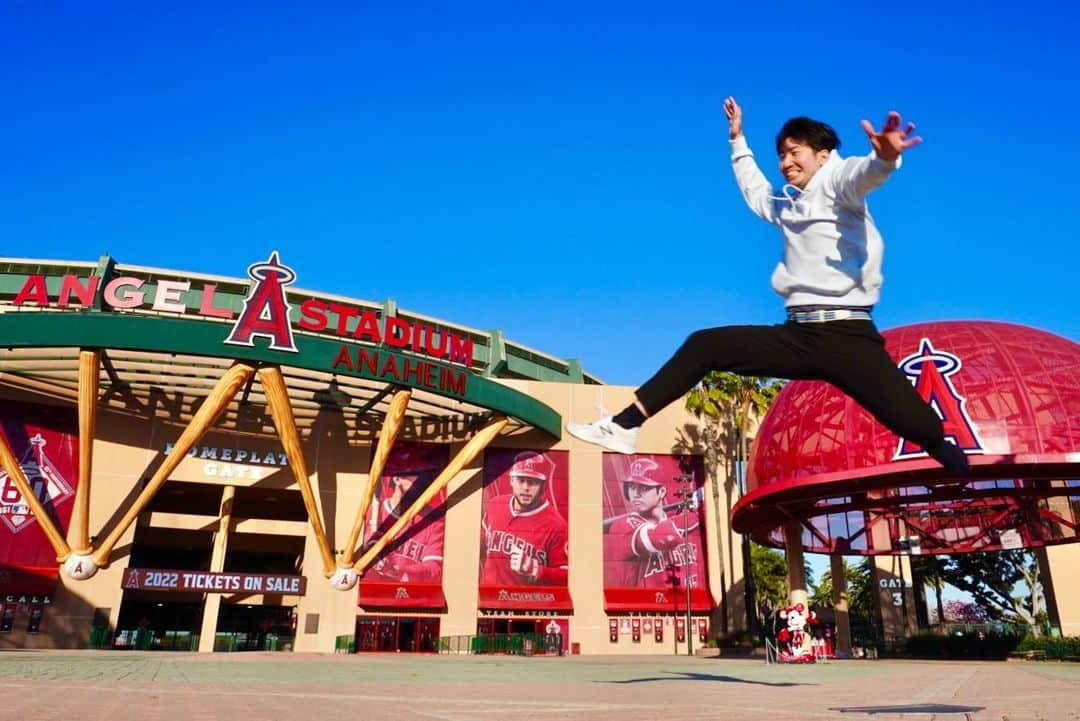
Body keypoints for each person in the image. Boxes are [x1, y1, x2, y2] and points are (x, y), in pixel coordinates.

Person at [567, 97, 970, 476]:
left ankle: (951, 457)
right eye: (782, 154)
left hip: (848, 337)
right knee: (703, 345)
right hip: (799, 335)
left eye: (795, 152)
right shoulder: (790, 204)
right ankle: (624, 425)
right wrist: (737, 141)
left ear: (823, 156)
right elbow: (756, 193)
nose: (786, 162)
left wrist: (885, 156)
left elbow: (863, 175)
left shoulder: (839, 184)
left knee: (916, 425)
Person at [604, 458, 702, 589]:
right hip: (646, 606)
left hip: (689, 604)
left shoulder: (681, 521)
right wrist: (695, 513)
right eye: (632, 487)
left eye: (644, 488)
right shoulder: (622, 526)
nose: (636, 494)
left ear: (661, 491)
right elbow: (663, 537)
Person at [480, 451, 569, 585]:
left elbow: (567, 575)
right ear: (512, 481)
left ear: (543, 486)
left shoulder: (557, 525)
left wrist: (536, 569)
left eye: (533, 482)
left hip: (525, 601)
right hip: (487, 599)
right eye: (521, 480)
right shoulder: (495, 504)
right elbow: (481, 544)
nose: (526, 488)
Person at [362, 448, 445, 583]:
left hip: (410, 596)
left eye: (427, 478)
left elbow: (434, 570)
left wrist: (397, 570)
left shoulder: (433, 522)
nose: (424, 483)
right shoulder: (372, 513)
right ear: (397, 478)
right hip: (373, 591)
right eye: (419, 476)